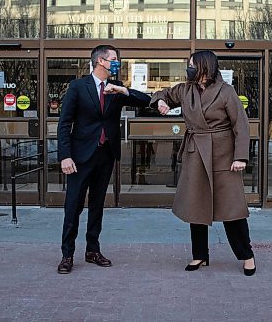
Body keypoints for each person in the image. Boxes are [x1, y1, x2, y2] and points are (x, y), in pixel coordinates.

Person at [150, 50, 256, 275]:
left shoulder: (226, 92)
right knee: (195, 207)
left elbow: (241, 125)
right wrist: (160, 102)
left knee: (232, 209)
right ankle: (200, 255)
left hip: (223, 156)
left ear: (204, 68)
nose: (188, 68)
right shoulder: (185, 89)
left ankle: (247, 255)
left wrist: (240, 157)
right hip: (196, 153)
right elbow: (163, 94)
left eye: (191, 65)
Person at [57, 45, 151, 274]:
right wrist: (65, 156)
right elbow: (64, 124)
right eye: (114, 59)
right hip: (80, 157)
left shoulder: (114, 90)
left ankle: (92, 250)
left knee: (97, 205)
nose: (116, 63)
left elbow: (145, 100)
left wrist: (122, 91)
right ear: (101, 61)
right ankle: (67, 255)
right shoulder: (78, 87)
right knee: (73, 206)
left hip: (105, 155)